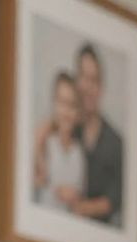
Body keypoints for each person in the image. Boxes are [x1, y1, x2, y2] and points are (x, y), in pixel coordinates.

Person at [72, 41, 123, 229]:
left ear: (101, 87)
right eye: (84, 78)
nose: (88, 87)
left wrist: (82, 208)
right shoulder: (68, 131)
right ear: (76, 81)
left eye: (94, 80)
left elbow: (115, 199)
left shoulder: (115, 142)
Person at [32, 69, 85, 213]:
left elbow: (79, 194)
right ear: (53, 103)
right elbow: (36, 178)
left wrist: (73, 197)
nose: (66, 111)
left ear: (79, 111)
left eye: (72, 105)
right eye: (61, 102)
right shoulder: (46, 142)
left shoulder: (78, 152)